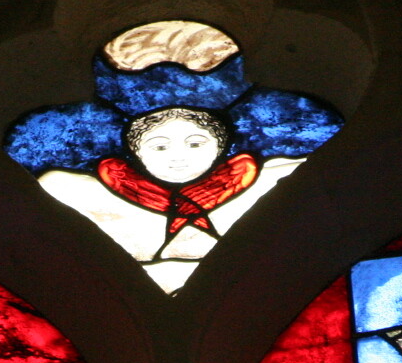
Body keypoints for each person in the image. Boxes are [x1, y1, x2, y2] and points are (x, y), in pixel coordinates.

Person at [37, 105, 305, 292]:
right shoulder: (83, 193)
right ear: (137, 154)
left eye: (195, 144)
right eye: (160, 147)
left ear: (219, 147)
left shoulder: (271, 180)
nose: (178, 156)